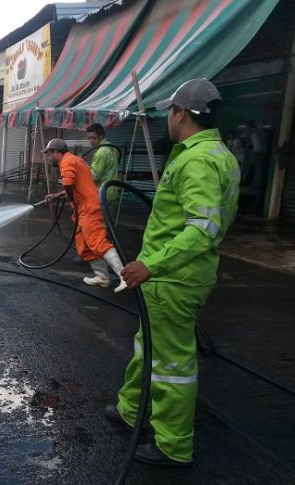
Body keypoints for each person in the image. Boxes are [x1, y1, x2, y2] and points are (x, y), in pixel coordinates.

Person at [109, 79, 240, 466]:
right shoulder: (218, 154)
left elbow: (203, 228)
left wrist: (152, 264)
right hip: (172, 278)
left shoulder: (198, 160)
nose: (169, 116)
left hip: (171, 278)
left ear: (181, 113)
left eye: (170, 110)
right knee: (147, 346)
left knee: (171, 366)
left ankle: (173, 444)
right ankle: (131, 409)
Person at [43, 138, 127, 292]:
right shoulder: (75, 160)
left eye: (49, 154)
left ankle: (125, 277)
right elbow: (76, 186)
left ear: (55, 152)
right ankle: (102, 277)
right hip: (82, 210)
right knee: (84, 246)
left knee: (98, 242)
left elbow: (68, 182)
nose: (49, 158)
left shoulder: (66, 162)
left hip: (89, 209)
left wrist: (68, 196)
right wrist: (57, 196)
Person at [86, 123, 120, 209]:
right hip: (112, 192)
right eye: (88, 138)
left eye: (93, 138)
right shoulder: (112, 148)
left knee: (98, 221)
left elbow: (94, 177)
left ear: (101, 136)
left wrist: (84, 168)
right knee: (108, 221)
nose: (90, 141)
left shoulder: (101, 152)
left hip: (101, 193)